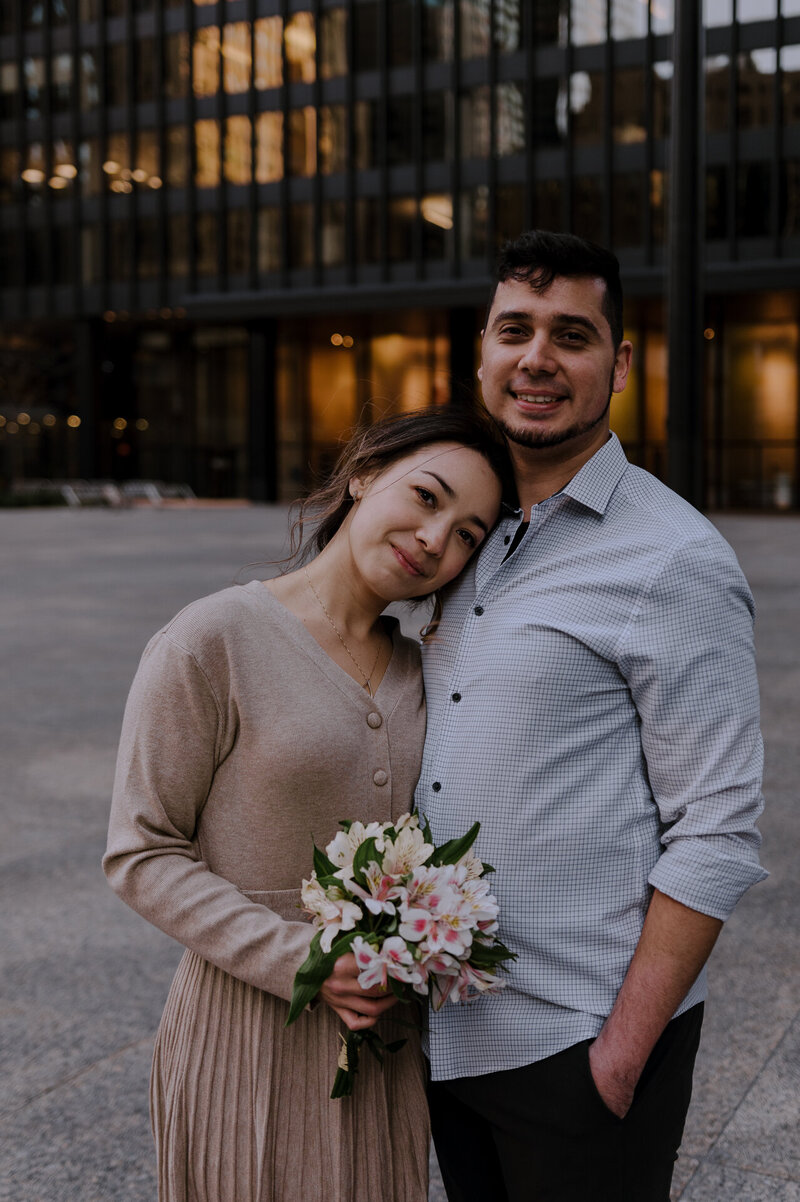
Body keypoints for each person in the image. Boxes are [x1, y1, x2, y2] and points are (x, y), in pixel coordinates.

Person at [417, 230, 767, 1202]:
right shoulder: (459, 535)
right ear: (480, 352)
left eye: (569, 335)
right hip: (450, 1033)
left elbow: (717, 831)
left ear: (617, 363)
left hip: (579, 1039)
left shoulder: (671, 557)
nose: (536, 358)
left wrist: (616, 1055)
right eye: (513, 330)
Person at [102, 406, 512, 1202]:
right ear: (363, 474)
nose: (436, 539)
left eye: (468, 533)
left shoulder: (424, 667)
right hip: (246, 1036)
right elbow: (140, 849)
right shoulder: (212, 638)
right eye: (426, 497)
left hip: (381, 1054)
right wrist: (309, 961)